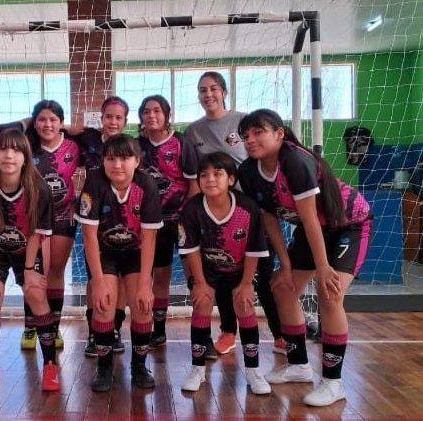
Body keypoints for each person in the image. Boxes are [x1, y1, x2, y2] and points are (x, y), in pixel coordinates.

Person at [238, 109, 372, 406]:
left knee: (329, 293)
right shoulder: (248, 171)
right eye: (246, 136)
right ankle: (298, 365)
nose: (250, 140)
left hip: (349, 225)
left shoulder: (296, 161)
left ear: (279, 133)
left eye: (258, 132)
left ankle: (333, 383)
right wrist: (285, 266)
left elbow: (310, 218)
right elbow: (270, 220)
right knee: (282, 286)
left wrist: (323, 268)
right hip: (315, 231)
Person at [185, 71, 285, 356]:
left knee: (261, 275)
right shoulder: (193, 131)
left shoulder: (243, 122)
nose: (208, 94)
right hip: (216, 214)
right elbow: (195, 176)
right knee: (223, 272)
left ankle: (280, 334)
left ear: (224, 92)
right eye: (202, 90)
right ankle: (228, 331)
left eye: (214, 88)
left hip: (251, 210)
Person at [75, 134, 162, 392]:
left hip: (135, 251)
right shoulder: (94, 182)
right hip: (105, 251)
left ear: (137, 161)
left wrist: (145, 284)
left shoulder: (147, 185)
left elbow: (149, 238)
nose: (117, 165)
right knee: (104, 306)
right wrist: (98, 282)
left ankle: (139, 366)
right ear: (103, 161)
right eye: (111, 159)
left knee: (143, 306)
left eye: (125, 158)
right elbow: (89, 236)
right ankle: (104, 368)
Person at [178, 152, 271, 395]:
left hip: (241, 269)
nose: (210, 179)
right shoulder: (192, 209)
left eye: (217, 174)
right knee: (202, 303)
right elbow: (190, 250)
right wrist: (200, 283)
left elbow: (254, 250)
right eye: (204, 175)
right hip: (207, 269)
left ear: (230, 179)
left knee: (244, 305)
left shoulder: (247, 207)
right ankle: (197, 369)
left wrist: (247, 284)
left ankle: (253, 370)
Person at [0, 129, 59, 392]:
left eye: (16, 150)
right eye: (3, 149)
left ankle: (50, 365)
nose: (9, 155)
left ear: (25, 157)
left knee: (35, 293)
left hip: (27, 248)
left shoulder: (39, 188)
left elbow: (36, 233)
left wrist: (30, 269)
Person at [69, 96, 131, 356]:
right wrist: (71, 126)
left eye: (118, 117)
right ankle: (94, 331)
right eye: (109, 117)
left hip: (124, 218)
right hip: (93, 219)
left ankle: (114, 329)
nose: (113, 122)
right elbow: (51, 127)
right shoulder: (90, 138)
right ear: (101, 118)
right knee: (95, 277)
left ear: (125, 121)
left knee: (122, 278)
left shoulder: (131, 146)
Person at [137, 95, 199, 348]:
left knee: (195, 276)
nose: (151, 115)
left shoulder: (182, 143)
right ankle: (159, 330)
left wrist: (191, 219)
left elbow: (193, 184)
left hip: (181, 221)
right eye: (146, 111)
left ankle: (203, 335)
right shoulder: (137, 146)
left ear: (167, 115)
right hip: (153, 224)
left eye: (157, 111)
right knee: (160, 276)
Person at [28, 100, 81, 350]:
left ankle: (53, 327)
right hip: (33, 219)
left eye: (53, 120)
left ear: (61, 123)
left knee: (56, 272)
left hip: (63, 217)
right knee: (35, 273)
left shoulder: (73, 147)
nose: (47, 124)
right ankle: (31, 326)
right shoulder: (27, 146)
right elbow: (1, 131)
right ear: (34, 123)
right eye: (41, 119)